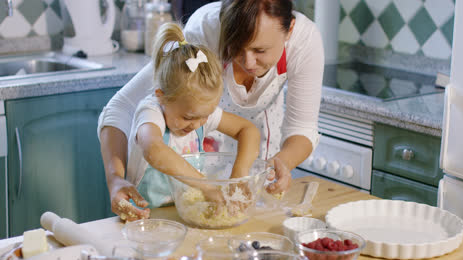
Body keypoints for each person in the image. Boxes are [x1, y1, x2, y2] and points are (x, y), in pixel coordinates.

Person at [98, 0, 324, 221]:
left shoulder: (305, 41)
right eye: (235, 47)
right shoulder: (203, 32)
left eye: (260, 50)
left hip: (253, 180)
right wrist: (115, 179)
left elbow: (301, 128)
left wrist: (250, 175)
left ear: (289, 30)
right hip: (186, 195)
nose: (248, 62)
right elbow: (123, 108)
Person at [114, 22, 261, 221]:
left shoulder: (198, 114)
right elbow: (154, 149)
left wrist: (239, 175)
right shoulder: (151, 112)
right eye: (188, 118)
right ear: (162, 97)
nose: (198, 124)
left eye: (206, 116)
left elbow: (248, 130)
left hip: (184, 213)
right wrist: (206, 186)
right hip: (143, 216)